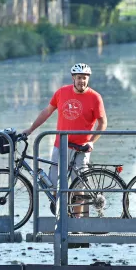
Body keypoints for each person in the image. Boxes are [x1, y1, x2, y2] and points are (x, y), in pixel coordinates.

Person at [21, 63, 107, 196]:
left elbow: (103, 123)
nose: (82, 81)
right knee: (54, 187)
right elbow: (47, 112)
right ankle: (58, 210)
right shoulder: (61, 92)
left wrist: (91, 141)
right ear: (73, 78)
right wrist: (30, 129)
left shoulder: (95, 97)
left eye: (84, 78)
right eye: (79, 77)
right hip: (60, 145)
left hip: (81, 148)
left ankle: (78, 210)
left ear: (88, 78)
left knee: (79, 190)